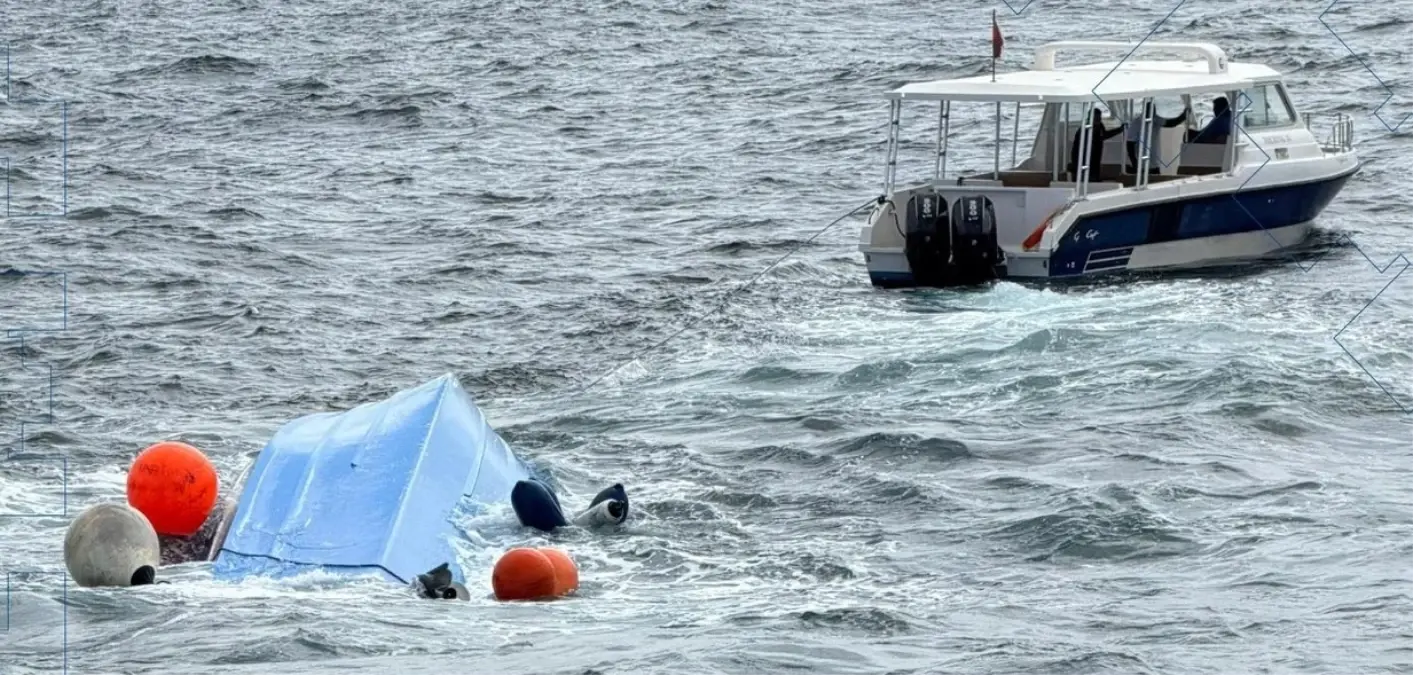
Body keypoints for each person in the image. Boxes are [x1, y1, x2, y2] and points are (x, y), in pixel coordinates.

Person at [1125, 101, 1189, 174]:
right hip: (1141, 165)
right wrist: (1134, 163)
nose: (1154, 113)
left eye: (1154, 111)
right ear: (1145, 110)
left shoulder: (1156, 119)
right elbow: (1129, 144)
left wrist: (1184, 115)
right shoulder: (1136, 123)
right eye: (1152, 110)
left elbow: (1171, 123)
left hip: (1155, 164)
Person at [1068, 107, 1126, 181]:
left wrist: (1120, 129)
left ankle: (1094, 180)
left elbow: (1104, 135)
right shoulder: (1084, 129)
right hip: (1082, 158)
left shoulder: (1100, 125)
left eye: (1099, 118)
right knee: (1085, 174)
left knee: (1095, 172)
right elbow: (1081, 147)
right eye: (1096, 118)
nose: (1098, 120)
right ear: (1090, 117)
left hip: (1096, 155)